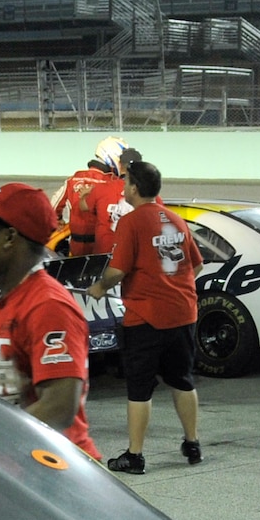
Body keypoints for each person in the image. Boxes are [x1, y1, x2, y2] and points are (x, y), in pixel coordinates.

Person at [0, 183, 100, 460]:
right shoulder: (8, 300)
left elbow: (59, 407)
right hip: (16, 470)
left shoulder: (48, 306)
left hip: (56, 478)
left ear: (9, 238)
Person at [88, 159, 202, 474]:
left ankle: (135, 455)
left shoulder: (132, 223)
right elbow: (196, 265)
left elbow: (118, 270)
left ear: (135, 188)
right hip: (182, 314)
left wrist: (99, 287)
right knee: (182, 380)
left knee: (139, 388)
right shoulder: (176, 221)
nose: (123, 188)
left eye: (126, 183)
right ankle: (192, 443)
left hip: (146, 317)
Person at [55, 136, 126, 255]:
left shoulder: (74, 178)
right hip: (101, 245)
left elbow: (54, 204)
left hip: (76, 244)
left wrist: (58, 220)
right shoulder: (111, 182)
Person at [74, 143, 140, 261]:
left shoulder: (101, 189)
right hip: (134, 255)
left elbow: (84, 207)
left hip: (103, 256)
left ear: (120, 165)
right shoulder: (149, 193)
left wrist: (83, 196)